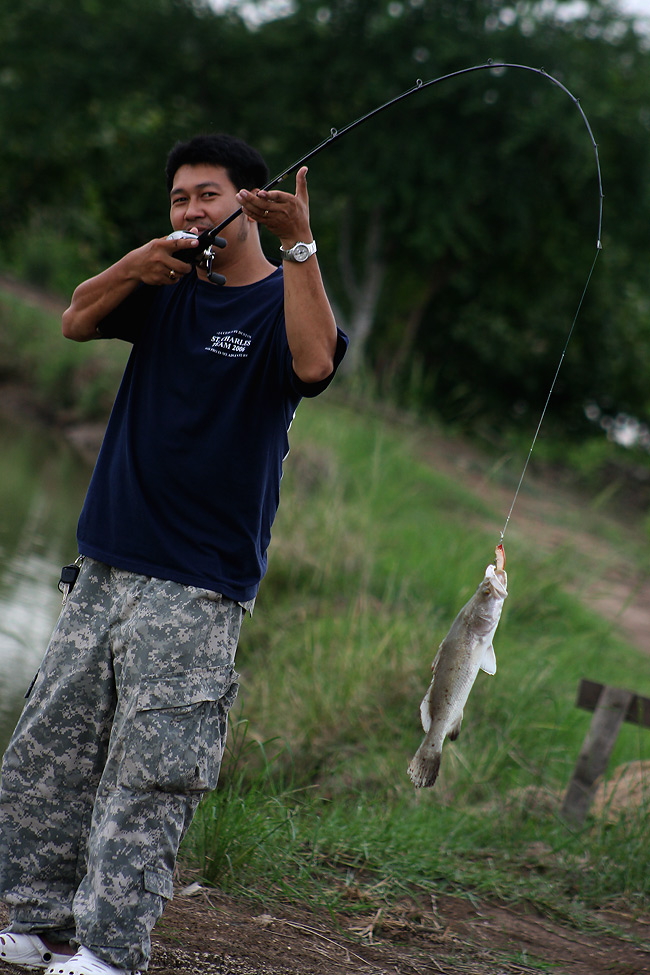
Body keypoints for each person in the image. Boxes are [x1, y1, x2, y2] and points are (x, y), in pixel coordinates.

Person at [0, 133, 348, 975]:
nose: (192, 210)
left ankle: (111, 952)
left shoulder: (282, 301)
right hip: (106, 559)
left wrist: (301, 244)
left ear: (251, 203)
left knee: (151, 771)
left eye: (207, 195)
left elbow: (313, 362)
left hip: (197, 581)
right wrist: (136, 262)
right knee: (50, 750)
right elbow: (77, 317)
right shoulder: (164, 283)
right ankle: (35, 922)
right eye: (179, 198)